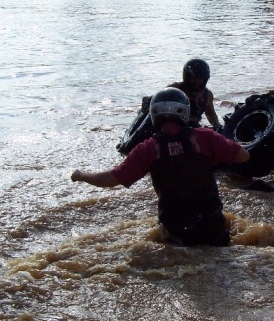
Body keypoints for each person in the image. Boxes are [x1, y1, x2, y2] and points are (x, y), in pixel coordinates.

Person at [72, 87, 249, 246]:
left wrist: (82, 176)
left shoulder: (148, 149)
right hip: (213, 228)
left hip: (175, 232)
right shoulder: (205, 137)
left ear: (154, 114)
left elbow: (111, 179)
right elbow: (243, 156)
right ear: (185, 112)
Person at [167, 58, 222, 131]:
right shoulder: (173, 90)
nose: (197, 82)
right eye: (194, 78)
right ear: (187, 76)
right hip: (173, 128)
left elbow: (209, 113)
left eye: (200, 79)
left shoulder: (207, 95)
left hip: (194, 129)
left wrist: (216, 124)